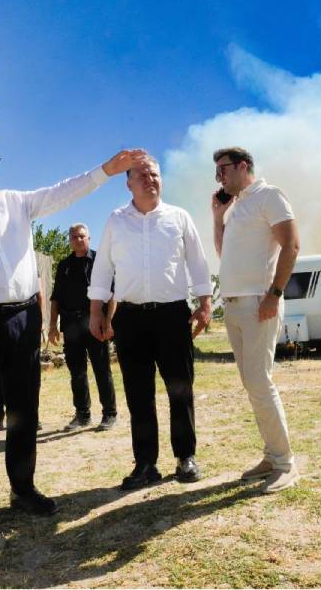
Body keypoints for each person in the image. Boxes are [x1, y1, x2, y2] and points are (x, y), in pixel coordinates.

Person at [0, 136, 146, 546]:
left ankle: (22, 489)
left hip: (23, 317)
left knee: (25, 409)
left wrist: (106, 170)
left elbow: (63, 192)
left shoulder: (17, 203)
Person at [88, 157, 212, 490]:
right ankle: (145, 464)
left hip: (172, 315)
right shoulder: (116, 220)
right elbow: (102, 269)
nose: (150, 179)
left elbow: (198, 262)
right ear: (128, 183)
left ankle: (185, 457)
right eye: (142, 175)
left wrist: (205, 303)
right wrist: (96, 310)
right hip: (129, 318)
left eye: (155, 174)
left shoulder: (179, 218)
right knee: (138, 394)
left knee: (180, 389)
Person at [211, 146, 301, 493]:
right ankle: (272, 455)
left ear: (243, 166)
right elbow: (224, 254)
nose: (219, 176)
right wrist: (218, 218)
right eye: (217, 172)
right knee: (252, 384)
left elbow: (291, 245)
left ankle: (285, 464)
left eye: (224, 169)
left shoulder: (269, 195)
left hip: (257, 303)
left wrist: (274, 294)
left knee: (260, 382)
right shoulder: (236, 208)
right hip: (233, 305)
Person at [48, 224, 118, 432]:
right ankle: (82, 415)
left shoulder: (100, 262)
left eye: (81, 236)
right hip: (70, 324)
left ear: (89, 238)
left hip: (95, 322)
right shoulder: (64, 265)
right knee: (76, 372)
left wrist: (109, 321)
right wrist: (53, 326)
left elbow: (113, 293)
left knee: (101, 369)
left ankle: (109, 414)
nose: (78, 240)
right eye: (74, 237)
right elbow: (55, 299)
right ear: (69, 240)